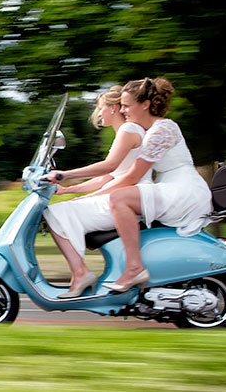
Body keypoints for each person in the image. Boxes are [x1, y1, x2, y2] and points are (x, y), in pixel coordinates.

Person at [103, 77, 213, 292]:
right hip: (171, 186)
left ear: (145, 105)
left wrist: (96, 195)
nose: (122, 110)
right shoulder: (149, 131)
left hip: (184, 191)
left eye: (126, 105)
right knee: (122, 199)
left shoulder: (161, 130)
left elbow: (133, 176)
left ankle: (134, 268)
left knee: (119, 198)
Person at [41, 86, 152, 298]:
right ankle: (80, 273)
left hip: (125, 199)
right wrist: (67, 191)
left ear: (114, 108)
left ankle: (80, 273)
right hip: (124, 194)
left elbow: (108, 167)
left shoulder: (129, 131)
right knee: (62, 209)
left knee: (54, 213)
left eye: (101, 108)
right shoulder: (126, 132)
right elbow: (106, 178)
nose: (99, 113)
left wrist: (65, 174)